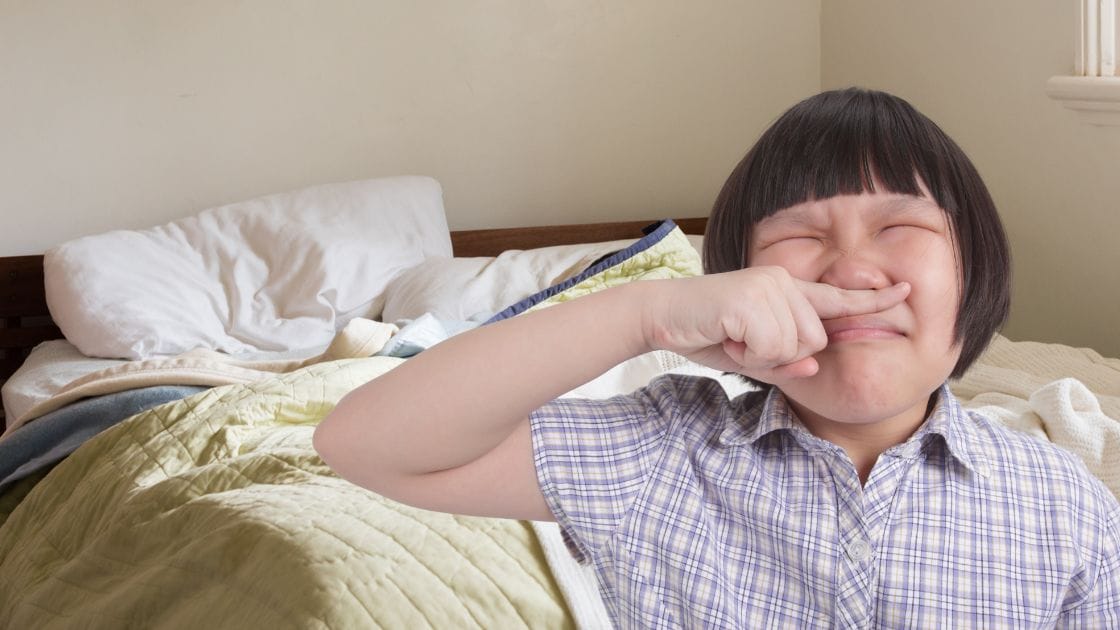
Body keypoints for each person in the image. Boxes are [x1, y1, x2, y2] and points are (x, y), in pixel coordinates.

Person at [313, 88, 1120, 627]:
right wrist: (644, 314)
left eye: (899, 228)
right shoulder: (660, 454)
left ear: (973, 271)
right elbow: (361, 442)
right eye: (801, 238)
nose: (850, 269)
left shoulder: (1066, 508)